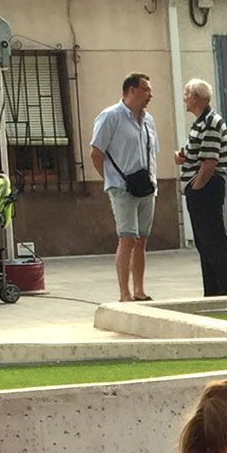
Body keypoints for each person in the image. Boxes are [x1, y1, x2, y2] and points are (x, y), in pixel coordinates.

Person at [90, 72, 160, 304]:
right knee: (127, 238)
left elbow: (151, 153)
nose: (150, 95)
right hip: (122, 187)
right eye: (146, 89)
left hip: (146, 186)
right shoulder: (111, 116)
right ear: (131, 91)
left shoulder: (148, 120)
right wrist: (111, 181)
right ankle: (124, 293)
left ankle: (139, 289)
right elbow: (96, 153)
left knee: (142, 240)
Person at [177, 78, 227, 298]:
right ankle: (212, 290)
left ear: (195, 98)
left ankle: (222, 290)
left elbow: (210, 162)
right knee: (204, 242)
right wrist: (184, 157)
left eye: (186, 94)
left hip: (207, 188)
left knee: (213, 239)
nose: (184, 98)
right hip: (202, 186)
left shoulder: (211, 121)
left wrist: (196, 188)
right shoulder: (201, 122)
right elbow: (201, 153)